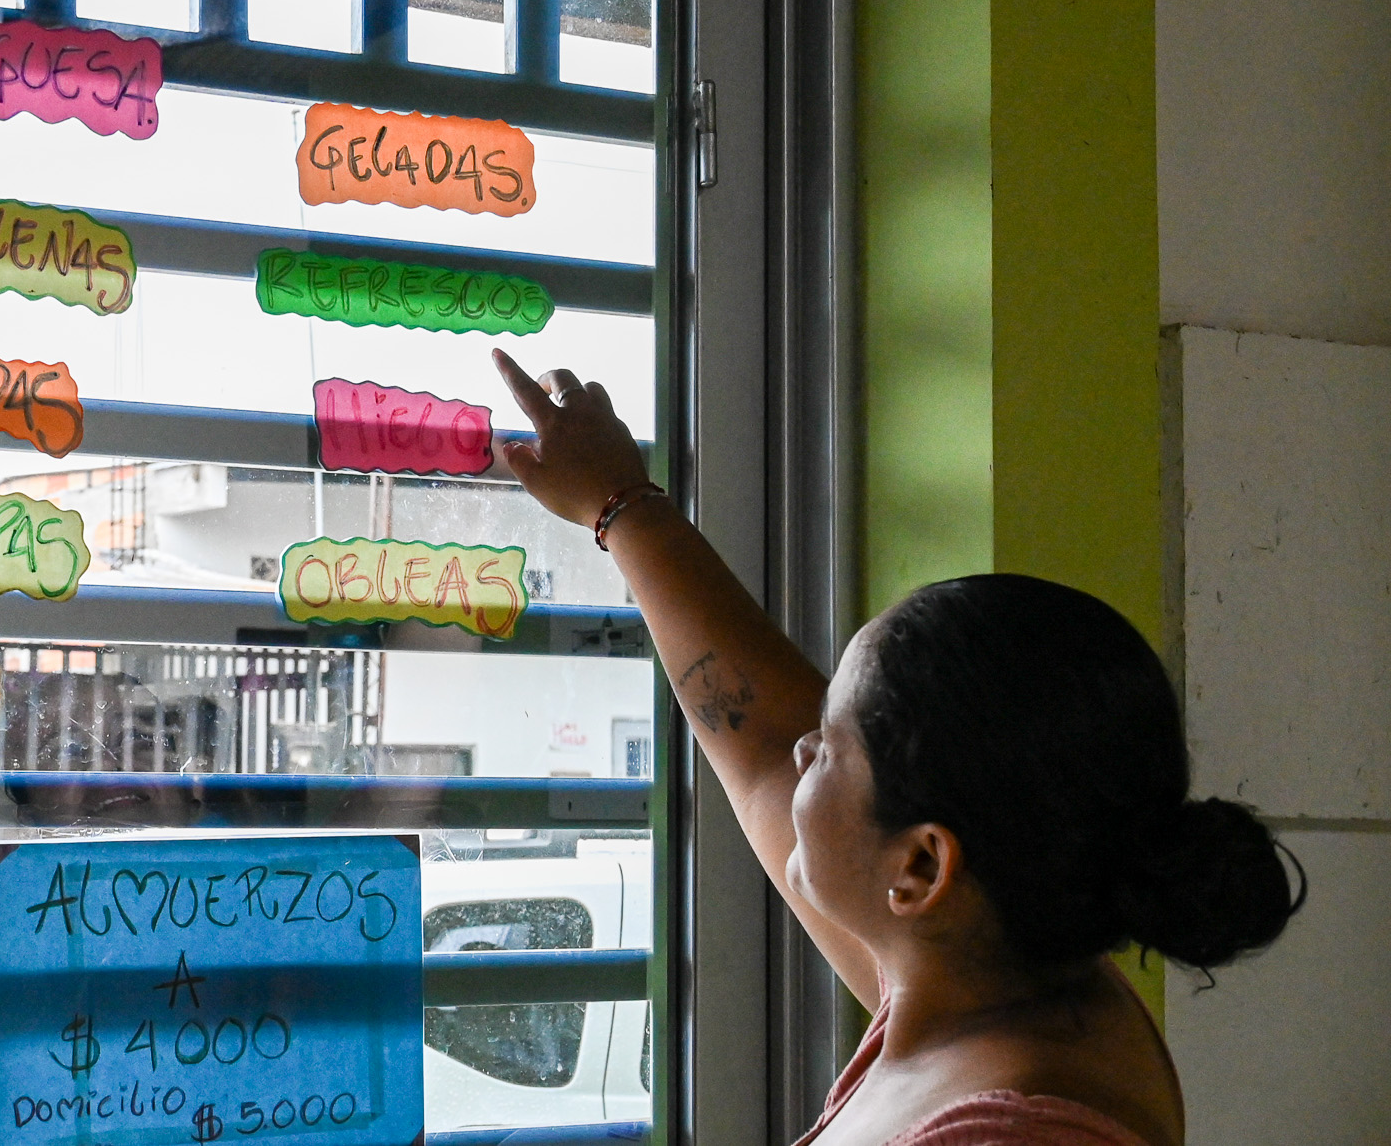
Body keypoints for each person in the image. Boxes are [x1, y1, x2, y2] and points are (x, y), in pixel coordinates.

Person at [491, 351, 1302, 1146]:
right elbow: (766, 743)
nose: (804, 746)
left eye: (832, 746)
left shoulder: (1014, 1121)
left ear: (920, 867)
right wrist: (620, 502)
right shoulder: (989, 970)